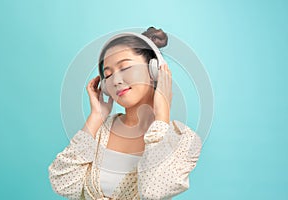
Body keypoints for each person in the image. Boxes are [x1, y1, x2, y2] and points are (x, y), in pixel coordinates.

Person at [48, 27, 202, 200]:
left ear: (154, 70)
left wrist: (161, 118)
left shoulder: (184, 139)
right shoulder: (99, 131)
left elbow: (153, 191)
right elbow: (61, 182)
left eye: (125, 67)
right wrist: (96, 117)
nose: (116, 80)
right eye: (108, 75)